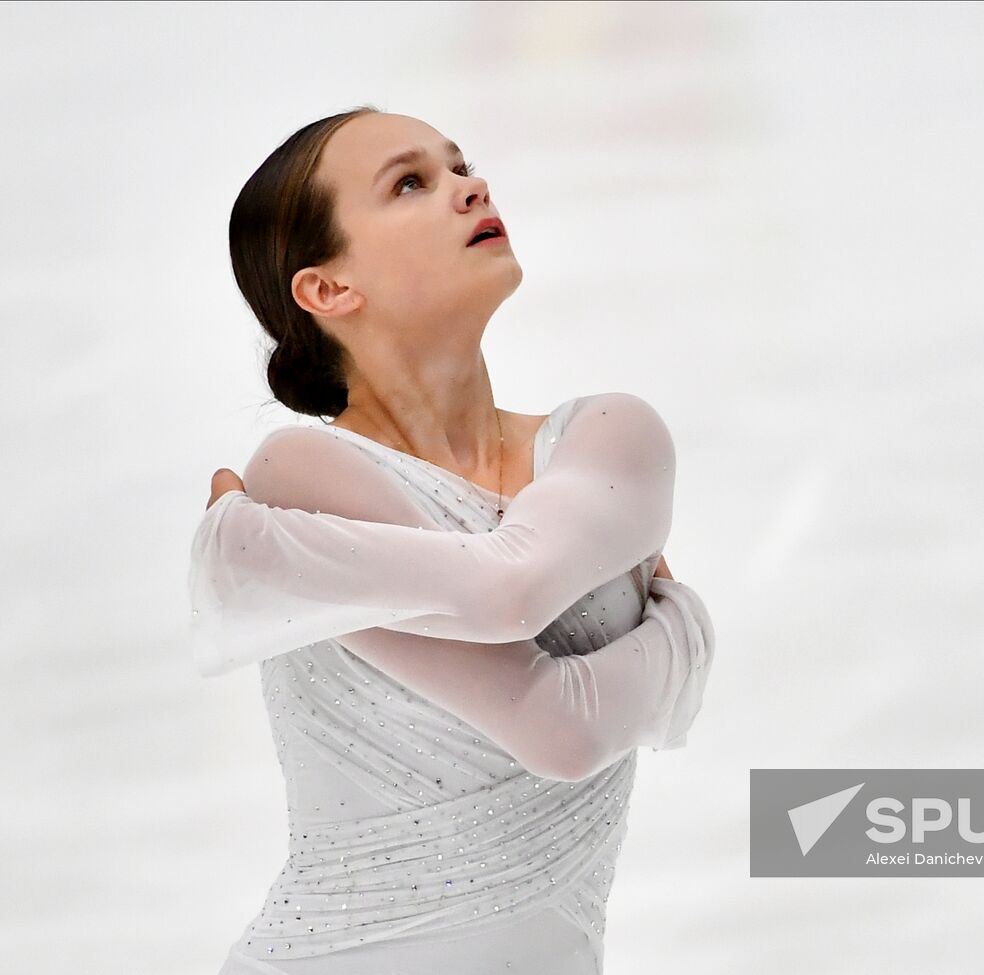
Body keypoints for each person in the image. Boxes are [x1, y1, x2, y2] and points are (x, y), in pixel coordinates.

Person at [187, 106, 716, 975]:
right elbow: (559, 727)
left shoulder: (609, 436)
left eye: (460, 165)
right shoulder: (302, 469)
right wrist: (680, 632)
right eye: (410, 183)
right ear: (326, 290)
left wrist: (260, 555)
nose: (469, 186)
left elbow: (509, 594)